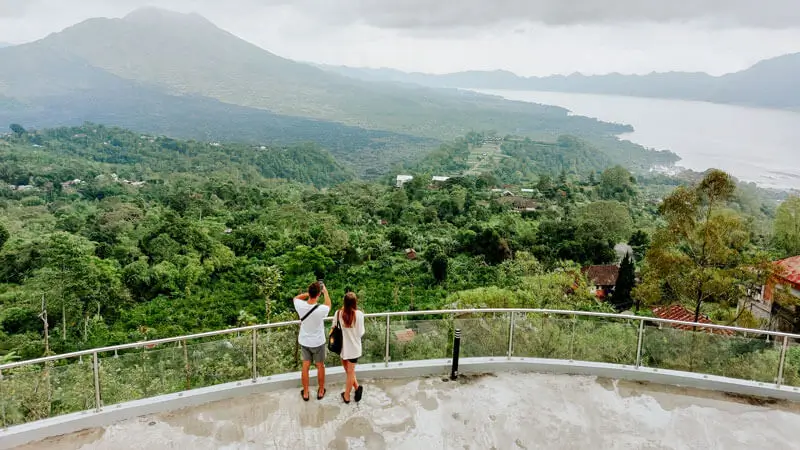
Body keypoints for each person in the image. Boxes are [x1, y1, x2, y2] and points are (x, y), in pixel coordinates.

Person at [294, 281, 331, 401]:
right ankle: (320, 391)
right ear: (319, 294)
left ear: (309, 292)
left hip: (305, 341)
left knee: (305, 366)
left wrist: (308, 293)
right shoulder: (321, 309)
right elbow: (328, 305)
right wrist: (325, 292)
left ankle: (305, 392)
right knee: (320, 366)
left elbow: (296, 298)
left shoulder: (300, 305)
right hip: (318, 342)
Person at [337, 292, 365, 404]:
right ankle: (357, 388)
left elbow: (334, 326)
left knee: (349, 371)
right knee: (350, 372)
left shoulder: (339, 313)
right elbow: (360, 333)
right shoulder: (359, 314)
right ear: (355, 303)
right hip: (354, 349)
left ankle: (347, 396)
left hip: (343, 348)